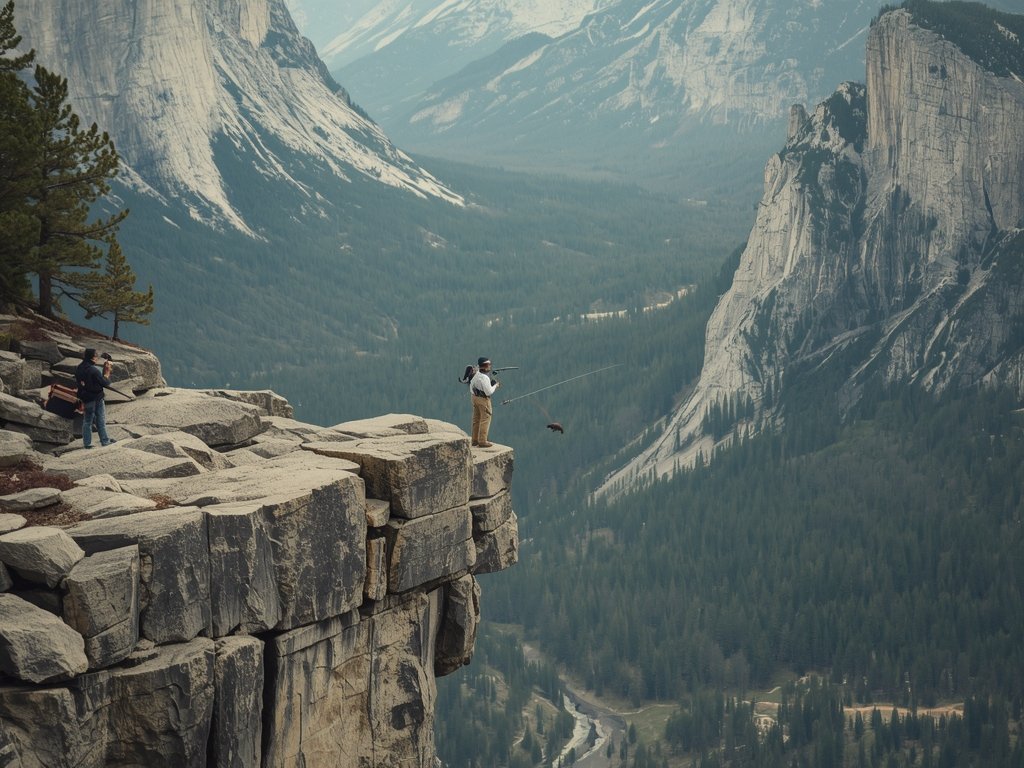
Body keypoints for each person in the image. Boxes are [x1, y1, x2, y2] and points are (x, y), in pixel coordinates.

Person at [75, 348, 117, 449]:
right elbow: (105, 383)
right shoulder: (94, 370)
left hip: (86, 397)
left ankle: (87, 443)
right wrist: (107, 372)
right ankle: (105, 441)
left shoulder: (79, 368)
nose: (98, 357)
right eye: (96, 355)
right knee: (100, 420)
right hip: (97, 397)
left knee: (87, 421)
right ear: (93, 357)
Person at [470, 357, 500, 447]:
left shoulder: (476, 374)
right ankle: (482, 441)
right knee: (485, 419)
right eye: (489, 365)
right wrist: (495, 385)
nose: (490, 366)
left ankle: (474, 440)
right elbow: (489, 392)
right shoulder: (484, 377)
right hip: (483, 400)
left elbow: (471, 386)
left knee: (476, 419)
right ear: (486, 366)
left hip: (474, 398)